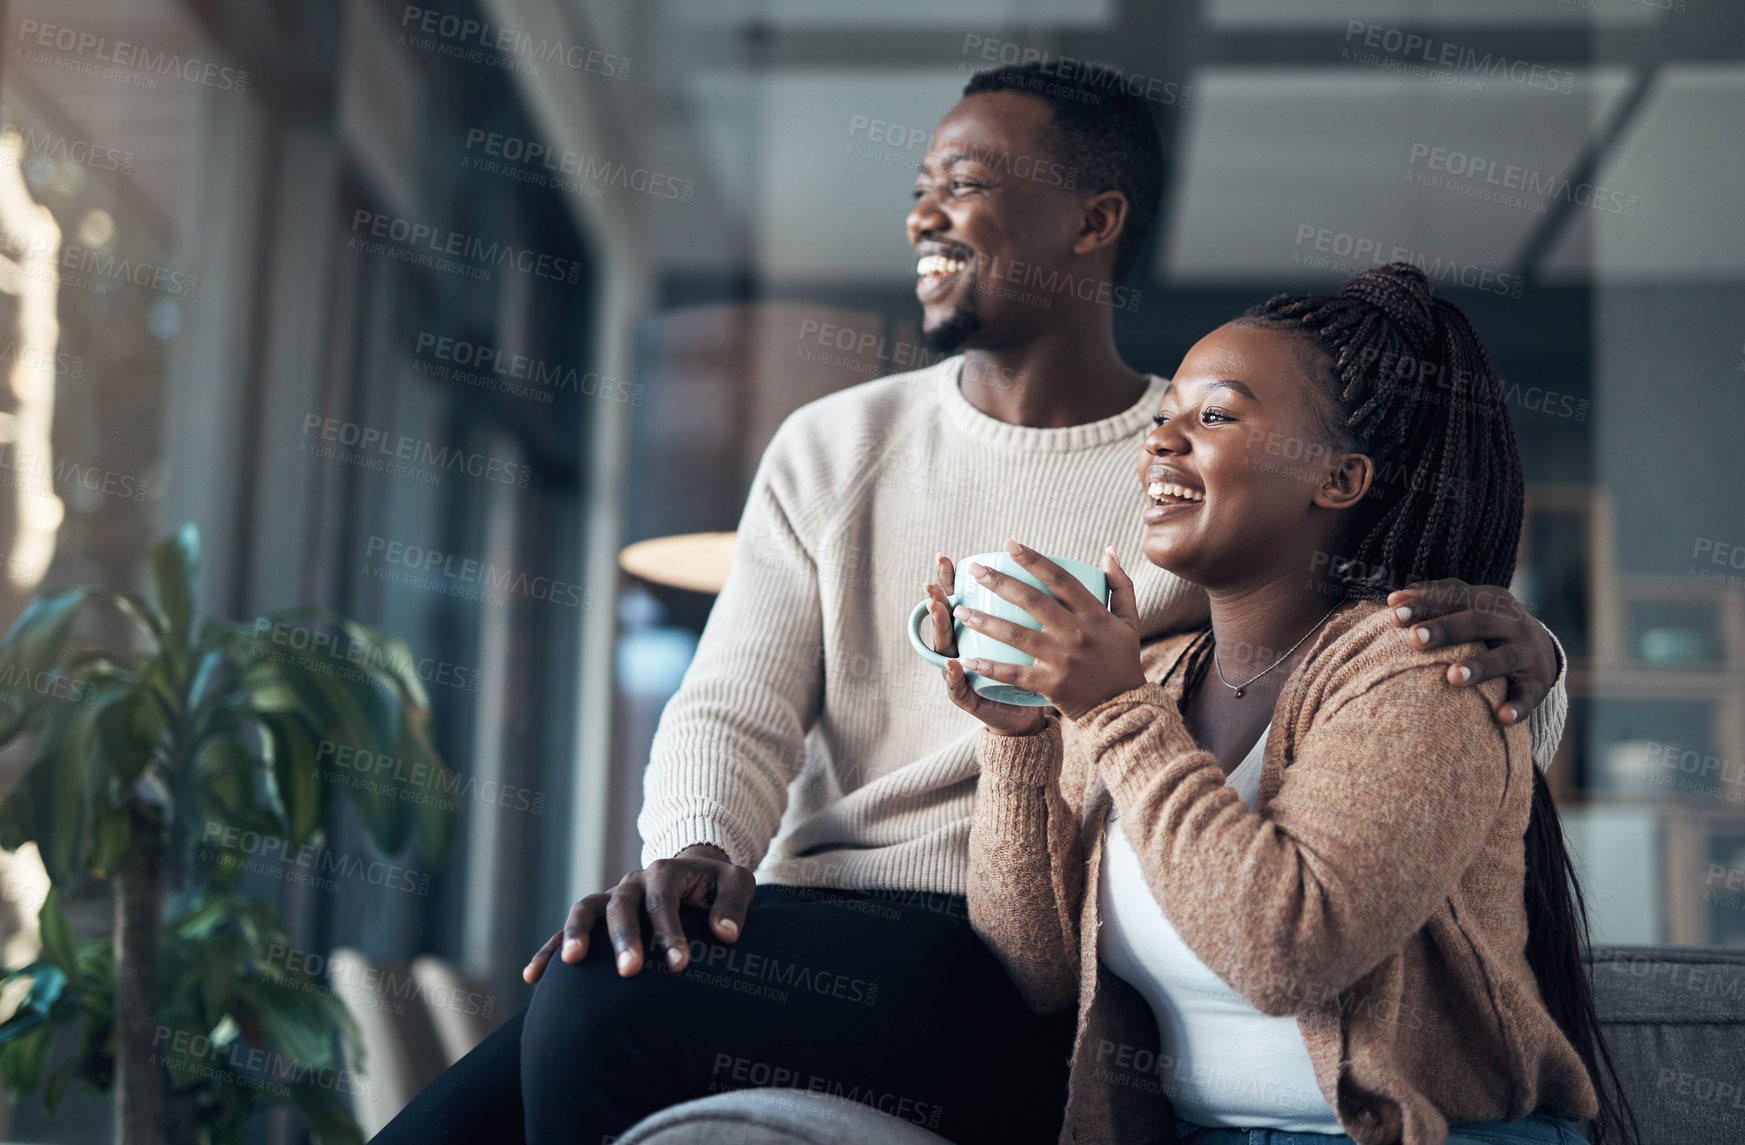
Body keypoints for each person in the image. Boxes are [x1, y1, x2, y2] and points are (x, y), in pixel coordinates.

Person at [369, 65, 1569, 1145]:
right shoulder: (837, 444)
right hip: (806, 919)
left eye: (965, 182)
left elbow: (1380, 692)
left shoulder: (1214, 483)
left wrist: (1540, 667)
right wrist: (690, 853)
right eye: (918, 187)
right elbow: (728, 703)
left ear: (1093, 223)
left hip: (1009, 948)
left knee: (590, 1006)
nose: (921, 213)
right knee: (534, 1031)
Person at [941, 263, 1635, 1145]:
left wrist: (1112, 708)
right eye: (1163, 418)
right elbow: (1035, 967)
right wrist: (1020, 740)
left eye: (1216, 415)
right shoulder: (1154, 675)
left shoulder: (1417, 670)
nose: (1160, 441)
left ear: (1339, 479)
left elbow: (1286, 952)